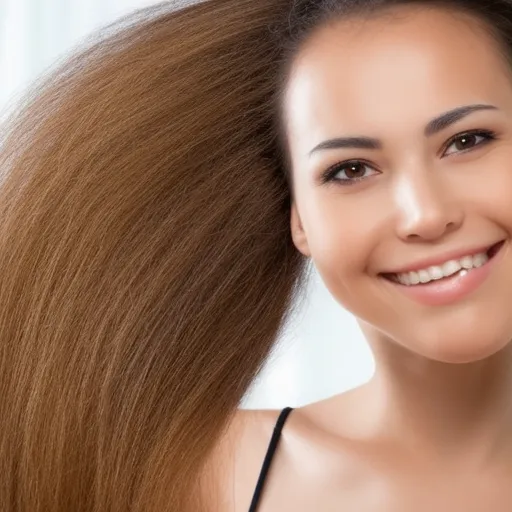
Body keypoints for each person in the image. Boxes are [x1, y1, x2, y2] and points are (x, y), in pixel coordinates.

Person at [1, 0, 512, 510]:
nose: (423, 215)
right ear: (300, 221)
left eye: (468, 140)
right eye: (350, 170)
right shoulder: (205, 477)